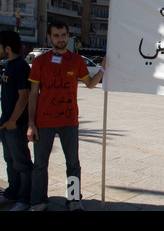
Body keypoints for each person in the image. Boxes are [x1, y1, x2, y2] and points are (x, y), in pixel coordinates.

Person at [27, 21, 106, 211]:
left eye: (63, 35)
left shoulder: (77, 61)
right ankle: (39, 201)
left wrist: (103, 68)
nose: (60, 39)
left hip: (69, 121)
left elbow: (90, 84)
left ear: (68, 36)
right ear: (49, 37)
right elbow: (33, 93)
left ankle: (73, 199)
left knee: (73, 163)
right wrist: (31, 123)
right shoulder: (40, 61)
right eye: (56, 35)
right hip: (43, 121)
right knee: (40, 165)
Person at [0, 31, 33, 211]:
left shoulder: (20, 66)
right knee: (10, 161)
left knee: (22, 163)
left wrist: (13, 121)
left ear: (7, 48)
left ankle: (24, 198)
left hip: (16, 125)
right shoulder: (9, 65)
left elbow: (24, 96)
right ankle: (12, 193)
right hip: (6, 124)